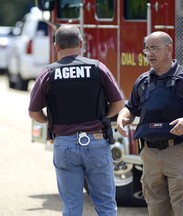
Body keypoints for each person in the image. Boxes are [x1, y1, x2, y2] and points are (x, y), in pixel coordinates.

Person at [29, 25, 125, 216]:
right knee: (106, 204)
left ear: (56, 46)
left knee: (71, 207)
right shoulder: (98, 67)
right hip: (97, 140)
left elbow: (34, 112)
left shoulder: (48, 73)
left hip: (64, 143)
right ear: (81, 44)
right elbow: (118, 102)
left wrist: (50, 121)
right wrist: (103, 117)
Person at [117, 31, 183, 216]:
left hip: (177, 151)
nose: (149, 53)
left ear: (169, 49)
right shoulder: (143, 81)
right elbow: (130, 107)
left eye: (154, 48)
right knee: (156, 208)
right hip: (150, 154)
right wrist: (123, 118)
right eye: (147, 49)